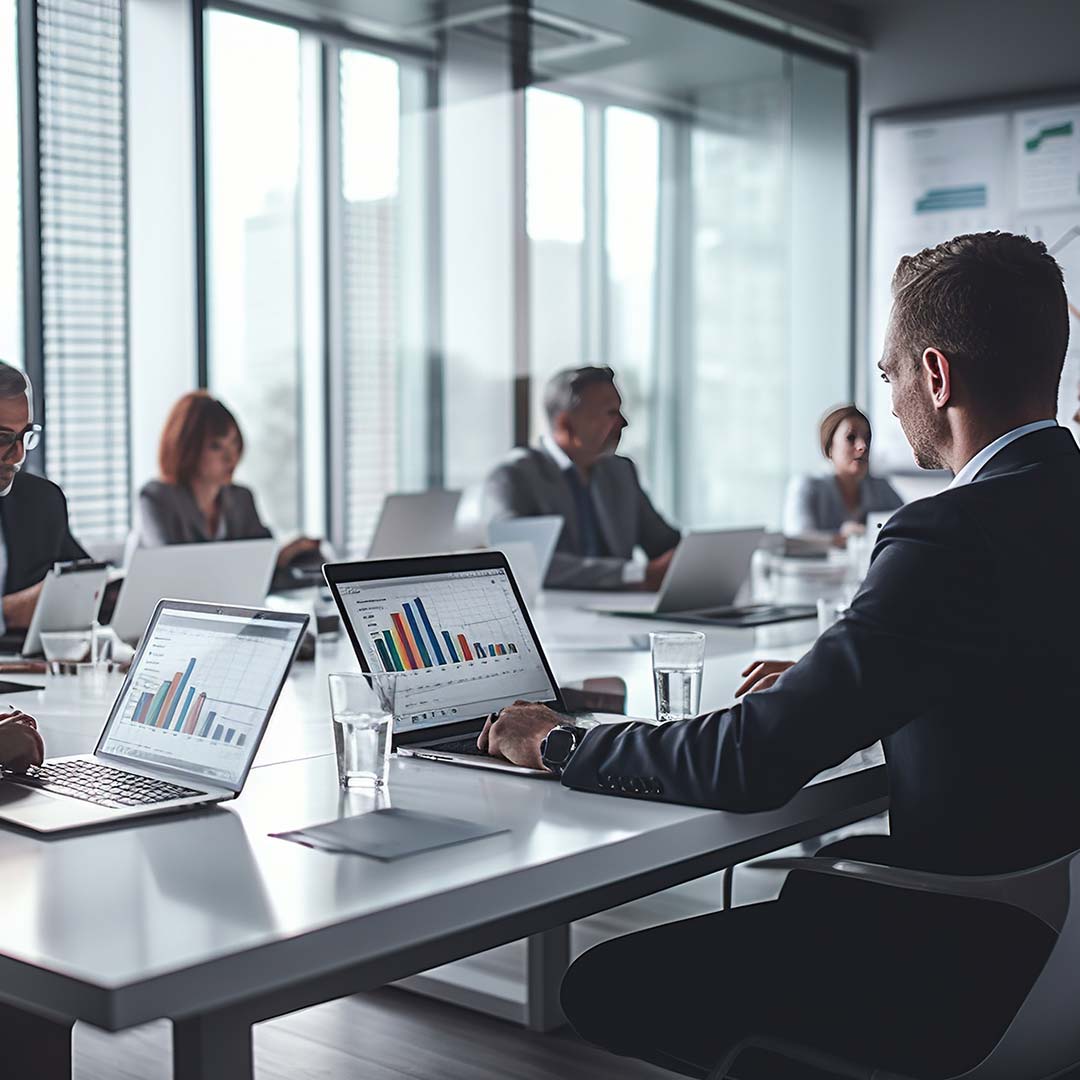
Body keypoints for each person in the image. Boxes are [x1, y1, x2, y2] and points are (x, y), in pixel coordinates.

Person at [478, 232, 1078, 1077]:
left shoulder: (947, 534)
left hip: (966, 955)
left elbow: (748, 761)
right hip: (1054, 941)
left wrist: (561, 740)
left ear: (935, 377)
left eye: (890, 376)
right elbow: (1015, 672)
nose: (893, 402)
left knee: (604, 983)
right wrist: (850, 675)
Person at [478, 366, 680, 590]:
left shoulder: (621, 471)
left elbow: (663, 542)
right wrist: (635, 573)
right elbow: (519, 561)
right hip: (553, 616)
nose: (623, 423)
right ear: (566, 425)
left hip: (627, 610)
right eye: (610, 413)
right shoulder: (512, 477)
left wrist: (695, 558)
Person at [136, 391, 319, 572]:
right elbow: (170, 569)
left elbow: (262, 560)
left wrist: (283, 556)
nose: (231, 457)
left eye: (234, 444)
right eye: (216, 447)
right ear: (187, 448)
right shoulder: (157, 498)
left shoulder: (241, 498)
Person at [0, 361, 88, 632]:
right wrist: (6, 615)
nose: (19, 456)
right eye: (3, 438)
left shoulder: (41, 500)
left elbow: (83, 577)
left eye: (25, 435)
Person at [783, 404, 902, 544]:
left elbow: (910, 526)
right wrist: (842, 538)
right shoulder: (806, 487)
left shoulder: (881, 488)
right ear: (829, 447)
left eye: (867, 438)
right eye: (851, 437)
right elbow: (798, 540)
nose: (862, 446)